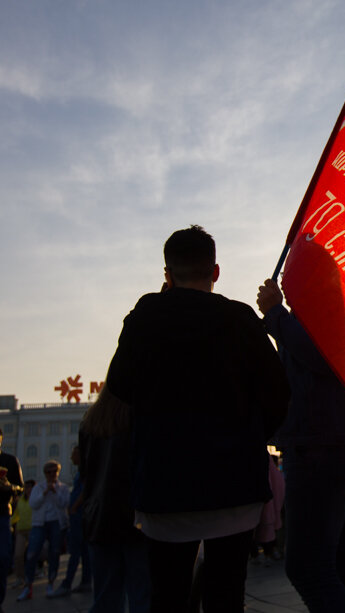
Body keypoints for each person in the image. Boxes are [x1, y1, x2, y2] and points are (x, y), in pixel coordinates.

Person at [104, 225, 290, 612]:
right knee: (227, 596)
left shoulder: (143, 318)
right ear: (215, 271)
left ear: (167, 273)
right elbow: (278, 394)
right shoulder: (240, 319)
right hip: (234, 487)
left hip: (163, 488)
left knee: (168, 596)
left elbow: (119, 385)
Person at [257, 277, 345, 612]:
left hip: (319, 444)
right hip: (333, 441)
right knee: (342, 560)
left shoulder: (323, 313)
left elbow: (321, 355)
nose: (285, 279)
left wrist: (275, 314)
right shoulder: (336, 309)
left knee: (307, 568)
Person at [80, 385, 151, 612]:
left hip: (99, 521)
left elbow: (86, 475)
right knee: (142, 596)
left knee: (105, 598)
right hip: (136, 519)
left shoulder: (90, 422)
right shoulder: (138, 416)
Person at [19, 460, 70, 601]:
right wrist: (44, 493)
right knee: (32, 553)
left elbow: (64, 504)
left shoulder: (63, 488)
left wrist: (54, 493)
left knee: (54, 553)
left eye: (55, 471)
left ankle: (50, 584)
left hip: (56, 524)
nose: (52, 474)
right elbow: (33, 504)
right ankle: (28, 586)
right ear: (45, 473)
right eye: (49, 472)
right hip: (39, 524)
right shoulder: (38, 487)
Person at [50, 445, 92, 597]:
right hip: (79, 515)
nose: (71, 457)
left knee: (75, 551)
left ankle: (67, 584)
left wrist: (74, 507)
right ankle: (86, 581)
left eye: (74, 453)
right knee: (84, 550)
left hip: (79, 515)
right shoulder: (81, 471)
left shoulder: (84, 471)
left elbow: (86, 490)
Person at [0, 428, 24, 609]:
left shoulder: (9, 461)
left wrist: (10, 487)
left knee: (3, 557)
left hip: (2, 514)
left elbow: (21, 488)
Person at [11, 480, 35, 590]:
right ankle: (20, 577)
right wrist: (10, 524)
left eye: (30, 487)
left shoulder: (36, 499)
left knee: (32, 554)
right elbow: (16, 514)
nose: (27, 489)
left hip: (33, 529)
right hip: (21, 530)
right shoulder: (21, 500)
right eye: (26, 487)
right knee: (18, 555)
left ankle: (33, 574)